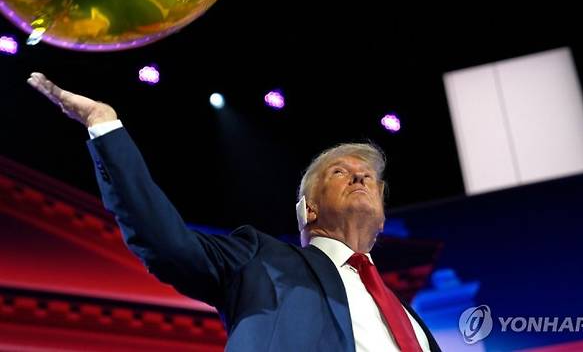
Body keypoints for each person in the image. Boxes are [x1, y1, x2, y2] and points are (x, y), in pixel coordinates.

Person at [27, 72, 441, 352]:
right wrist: (104, 126)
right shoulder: (262, 259)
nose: (359, 178)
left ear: (383, 218)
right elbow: (166, 243)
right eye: (341, 172)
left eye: (368, 176)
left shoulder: (412, 321)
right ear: (308, 210)